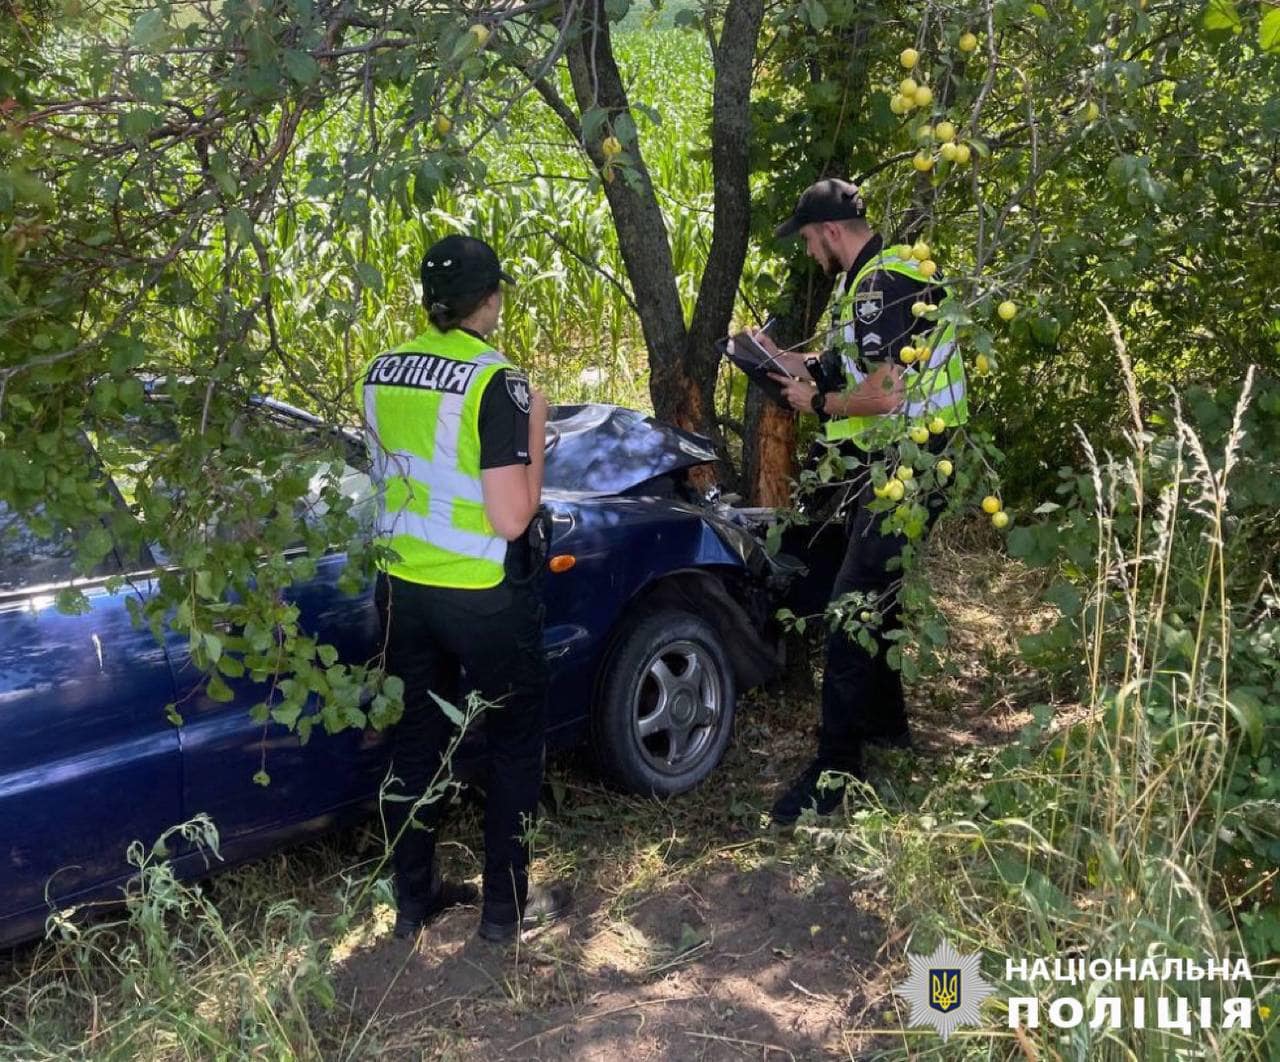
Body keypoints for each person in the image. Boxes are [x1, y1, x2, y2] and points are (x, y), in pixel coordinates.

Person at [360, 234, 571, 941]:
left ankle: (412, 903)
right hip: (482, 591)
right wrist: (535, 428)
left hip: (401, 590)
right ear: (493, 299)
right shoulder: (496, 382)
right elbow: (513, 517)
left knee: (415, 742)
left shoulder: (380, 370)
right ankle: (505, 916)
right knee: (514, 742)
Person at [756, 178, 968, 824]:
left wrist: (815, 405)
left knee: (852, 603)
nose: (807, 253)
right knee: (876, 594)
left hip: (916, 464)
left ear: (828, 231)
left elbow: (884, 393)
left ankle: (836, 773)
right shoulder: (865, 282)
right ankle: (886, 725)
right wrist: (777, 359)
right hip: (897, 464)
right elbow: (845, 363)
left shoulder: (881, 286)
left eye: (807, 240)